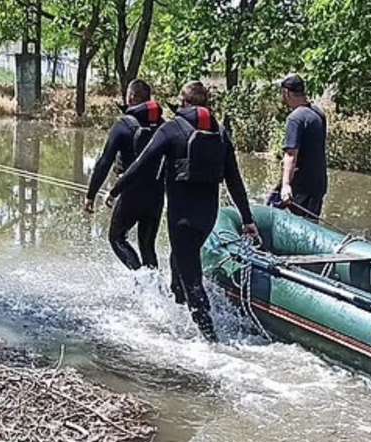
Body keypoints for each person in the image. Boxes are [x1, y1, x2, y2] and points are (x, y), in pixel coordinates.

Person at [108, 81, 258, 341]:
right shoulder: (221, 133)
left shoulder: (171, 129)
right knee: (178, 264)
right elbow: (235, 181)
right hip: (207, 218)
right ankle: (177, 318)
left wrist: (115, 190)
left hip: (182, 219)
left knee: (191, 280)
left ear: (184, 102)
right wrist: (247, 219)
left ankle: (212, 342)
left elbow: (142, 164)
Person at [84, 79, 165, 270]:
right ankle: (156, 289)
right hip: (157, 193)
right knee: (147, 246)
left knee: (117, 238)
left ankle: (141, 282)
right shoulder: (164, 125)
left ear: (131, 97)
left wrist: (91, 195)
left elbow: (104, 162)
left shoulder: (123, 125)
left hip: (131, 192)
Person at [268, 73, 328, 221]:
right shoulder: (318, 113)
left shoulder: (295, 118)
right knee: (310, 226)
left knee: (271, 211)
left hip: (300, 186)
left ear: (286, 93)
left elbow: (291, 154)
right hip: (318, 184)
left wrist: (286, 185)